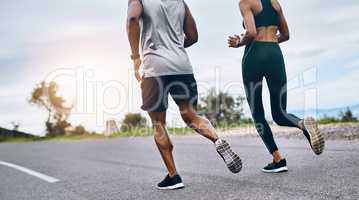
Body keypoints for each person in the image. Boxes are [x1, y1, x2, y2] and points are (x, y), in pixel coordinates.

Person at [127, 0, 242, 190]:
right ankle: (217, 139)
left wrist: (135, 57)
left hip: (154, 67)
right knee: (190, 113)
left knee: (158, 124)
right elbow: (193, 36)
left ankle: (174, 176)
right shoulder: (180, 1)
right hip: (181, 64)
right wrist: (173, 47)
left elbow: (132, 19)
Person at [228, 0, 325, 173]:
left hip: (254, 55)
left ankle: (278, 158)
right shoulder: (275, 3)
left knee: (258, 114)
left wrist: (239, 43)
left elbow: (250, 32)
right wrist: (270, 42)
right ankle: (302, 124)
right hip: (274, 53)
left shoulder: (245, 2)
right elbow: (286, 34)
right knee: (280, 113)